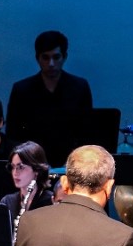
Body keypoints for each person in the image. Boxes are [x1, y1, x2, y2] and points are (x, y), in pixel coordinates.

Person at [6, 30, 93, 164]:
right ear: (38, 58)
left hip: (70, 163)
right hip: (33, 163)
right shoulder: (22, 90)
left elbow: (86, 132)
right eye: (45, 58)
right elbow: (13, 135)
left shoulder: (79, 87)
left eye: (56, 57)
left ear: (64, 57)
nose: (51, 63)